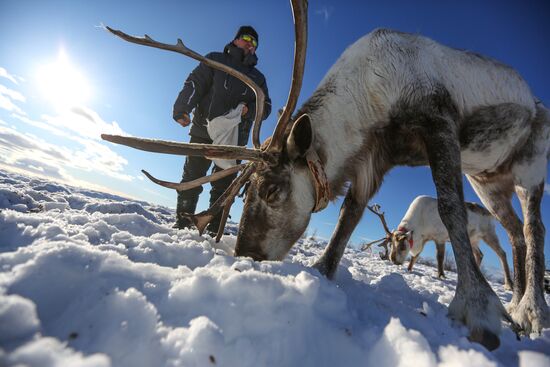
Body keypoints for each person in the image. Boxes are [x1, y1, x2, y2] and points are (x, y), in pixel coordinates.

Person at [172, 25, 271, 235]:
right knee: (192, 176)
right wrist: (182, 108)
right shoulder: (214, 59)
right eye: (246, 38)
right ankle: (183, 223)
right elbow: (195, 84)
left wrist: (249, 110)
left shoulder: (258, 78)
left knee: (224, 184)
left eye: (254, 42)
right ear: (235, 39)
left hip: (233, 141)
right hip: (203, 131)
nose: (250, 43)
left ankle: (215, 227)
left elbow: (266, 106)